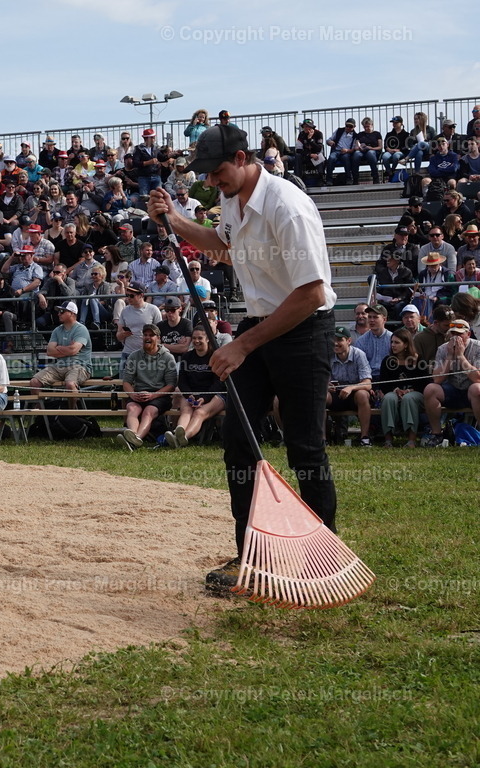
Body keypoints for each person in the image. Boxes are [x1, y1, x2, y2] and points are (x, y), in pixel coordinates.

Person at [147, 122, 337, 595]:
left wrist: (243, 344)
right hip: (259, 327)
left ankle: (322, 555)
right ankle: (249, 555)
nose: (211, 182)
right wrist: (172, 219)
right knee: (238, 440)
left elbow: (312, 293)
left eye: (216, 172)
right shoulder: (232, 202)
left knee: (304, 447)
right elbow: (220, 242)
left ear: (242, 156)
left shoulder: (287, 207)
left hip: (303, 330)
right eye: (206, 176)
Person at [116, 324, 177, 450]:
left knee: (149, 411)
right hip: (138, 393)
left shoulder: (167, 357)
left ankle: (136, 439)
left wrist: (153, 395)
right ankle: (132, 435)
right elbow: (126, 382)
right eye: (145, 335)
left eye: (151, 335)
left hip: (160, 395)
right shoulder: (134, 356)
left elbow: (171, 385)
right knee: (132, 408)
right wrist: (132, 394)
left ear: (158, 338)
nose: (147, 338)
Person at [422, 319, 480, 446]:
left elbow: (477, 378)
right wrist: (449, 357)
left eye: (459, 334)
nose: (455, 338)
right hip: (451, 389)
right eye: (453, 334)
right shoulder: (443, 349)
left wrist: (460, 356)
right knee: (430, 389)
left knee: (477, 388)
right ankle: (437, 434)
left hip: (471, 391)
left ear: (468, 334)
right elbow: (437, 379)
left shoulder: (478, 347)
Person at [167, 325, 226, 448]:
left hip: (214, 395)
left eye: (200, 338)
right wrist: (190, 396)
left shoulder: (216, 356)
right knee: (186, 411)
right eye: (194, 338)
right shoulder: (187, 357)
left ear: (208, 339)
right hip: (192, 394)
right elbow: (182, 382)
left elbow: (219, 383)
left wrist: (204, 398)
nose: (196, 341)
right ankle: (177, 432)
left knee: (199, 412)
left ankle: (183, 438)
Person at [28, 301, 92, 408]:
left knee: (70, 384)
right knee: (34, 382)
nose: (59, 314)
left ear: (72, 313)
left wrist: (59, 348)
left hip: (80, 366)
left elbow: (73, 350)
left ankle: (71, 415)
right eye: (59, 311)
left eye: (62, 311)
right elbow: (49, 351)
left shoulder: (81, 329)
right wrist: (67, 350)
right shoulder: (57, 330)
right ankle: (43, 416)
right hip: (59, 366)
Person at [377, 329, 426, 448]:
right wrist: (395, 390)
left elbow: (423, 383)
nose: (393, 345)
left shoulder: (419, 360)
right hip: (394, 393)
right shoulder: (388, 361)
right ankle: (388, 440)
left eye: (397, 342)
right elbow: (384, 383)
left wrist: (408, 391)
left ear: (406, 344)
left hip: (415, 393)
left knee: (409, 399)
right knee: (388, 398)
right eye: (392, 342)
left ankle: (411, 440)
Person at [326, 326, 374, 446]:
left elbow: (368, 383)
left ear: (348, 341)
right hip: (335, 394)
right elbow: (321, 379)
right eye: (334, 340)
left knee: (363, 395)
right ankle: (322, 440)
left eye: (340, 340)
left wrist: (351, 387)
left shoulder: (359, 355)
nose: (336, 343)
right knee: (321, 395)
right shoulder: (328, 356)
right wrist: (326, 385)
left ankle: (365, 438)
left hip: (354, 395)